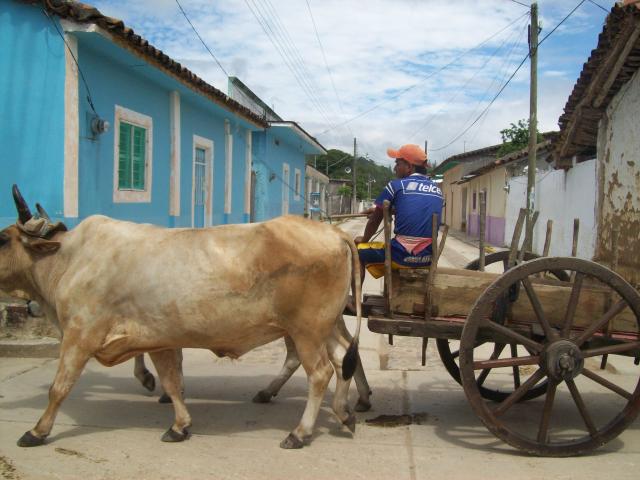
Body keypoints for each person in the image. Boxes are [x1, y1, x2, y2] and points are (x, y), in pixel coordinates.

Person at [355, 144, 443, 281]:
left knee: (357, 251)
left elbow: (374, 221)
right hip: (428, 258)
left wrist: (364, 239)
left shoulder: (396, 185)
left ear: (409, 166)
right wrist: (390, 211)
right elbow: (415, 211)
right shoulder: (437, 189)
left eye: (397, 163)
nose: (395, 167)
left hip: (401, 256)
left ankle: (356, 300)